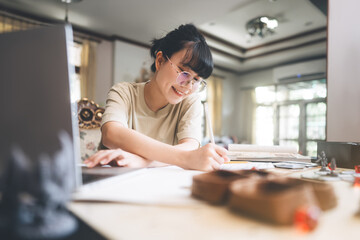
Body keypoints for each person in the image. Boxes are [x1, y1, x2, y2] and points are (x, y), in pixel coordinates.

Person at [84, 24, 229, 171]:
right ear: (160, 61)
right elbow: (112, 134)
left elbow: (189, 147)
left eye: (196, 80)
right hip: (114, 178)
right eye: (184, 73)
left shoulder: (190, 101)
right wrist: (184, 158)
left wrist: (143, 161)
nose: (188, 86)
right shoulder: (124, 92)